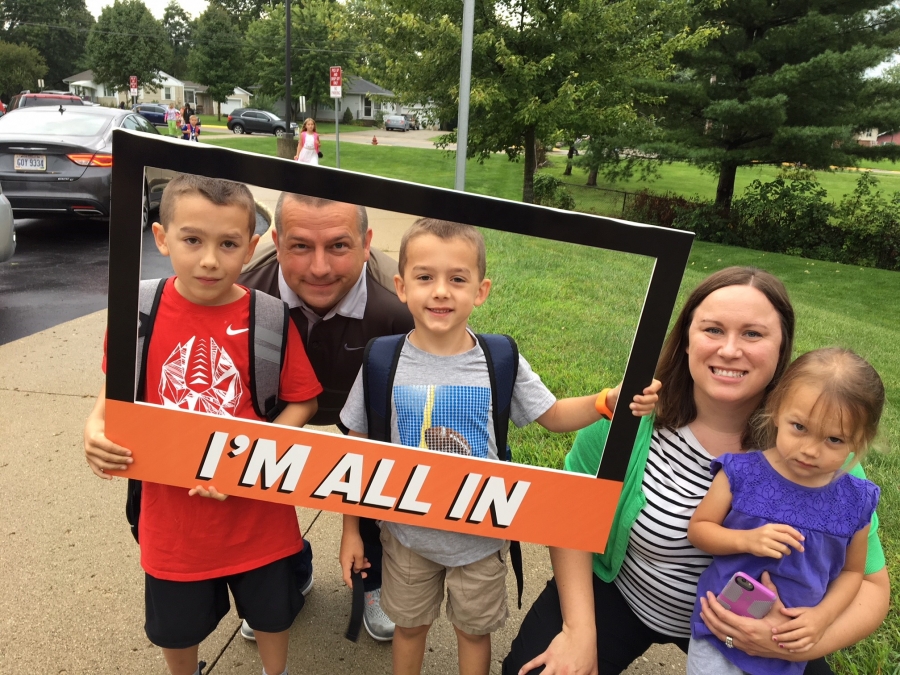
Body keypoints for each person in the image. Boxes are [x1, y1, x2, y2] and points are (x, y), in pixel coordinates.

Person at [502, 266, 890, 675]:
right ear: (686, 339)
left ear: (782, 350)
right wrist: (579, 631)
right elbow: (570, 513)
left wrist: (800, 643)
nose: (729, 350)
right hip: (626, 596)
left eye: (753, 334)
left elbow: (869, 584)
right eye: (713, 330)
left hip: (760, 623)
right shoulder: (633, 413)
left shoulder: (821, 456)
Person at [338, 219, 661, 675]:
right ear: (401, 286)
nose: (441, 292)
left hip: (481, 536)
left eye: (457, 279)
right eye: (425, 277)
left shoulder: (498, 358)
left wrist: (603, 401)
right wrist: (352, 530)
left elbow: (552, 416)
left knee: (474, 632)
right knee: (409, 628)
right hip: (406, 534)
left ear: (481, 290)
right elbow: (357, 451)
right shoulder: (381, 358)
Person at [83, 175, 323, 675]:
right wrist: (95, 426)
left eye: (228, 243)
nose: (210, 259)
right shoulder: (138, 312)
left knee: (272, 614)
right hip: (174, 524)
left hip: (260, 518)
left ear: (252, 248)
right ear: (162, 237)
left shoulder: (270, 318)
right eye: (192, 239)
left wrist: (245, 461)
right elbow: (116, 395)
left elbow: (302, 402)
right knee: (175, 626)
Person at [239, 192, 415, 641]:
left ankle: (373, 576)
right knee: (252, 460)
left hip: (363, 406)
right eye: (300, 246)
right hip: (274, 402)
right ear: (276, 242)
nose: (319, 268)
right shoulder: (240, 294)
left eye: (338, 246)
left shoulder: (399, 309)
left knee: (384, 460)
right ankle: (288, 568)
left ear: (366, 242)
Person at [686, 348, 882, 675]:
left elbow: (852, 573)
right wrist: (746, 540)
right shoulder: (741, 473)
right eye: (799, 427)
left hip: (791, 644)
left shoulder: (856, 501)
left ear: (860, 439)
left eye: (834, 439)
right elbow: (700, 529)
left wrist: (823, 617)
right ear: (777, 411)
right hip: (722, 627)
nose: (810, 450)